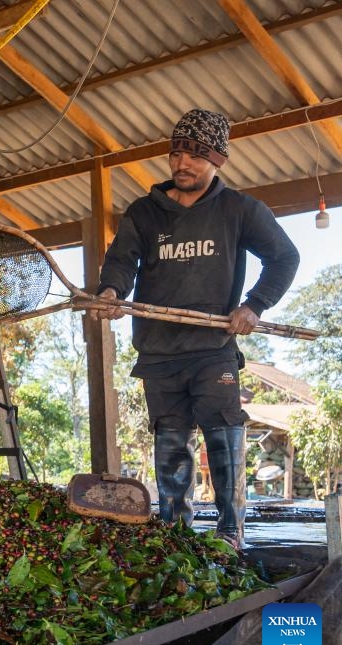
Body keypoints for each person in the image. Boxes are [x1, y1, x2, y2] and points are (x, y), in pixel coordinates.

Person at [90, 108, 299, 550]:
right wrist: (110, 292)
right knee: (170, 446)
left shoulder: (240, 210)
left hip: (213, 349)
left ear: (218, 160)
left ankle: (230, 531)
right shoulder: (145, 212)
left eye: (197, 156)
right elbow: (123, 259)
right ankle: (174, 534)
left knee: (224, 437)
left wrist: (254, 305)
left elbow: (284, 257)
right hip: (159, 353)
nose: (184, 164)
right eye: (177, 153)